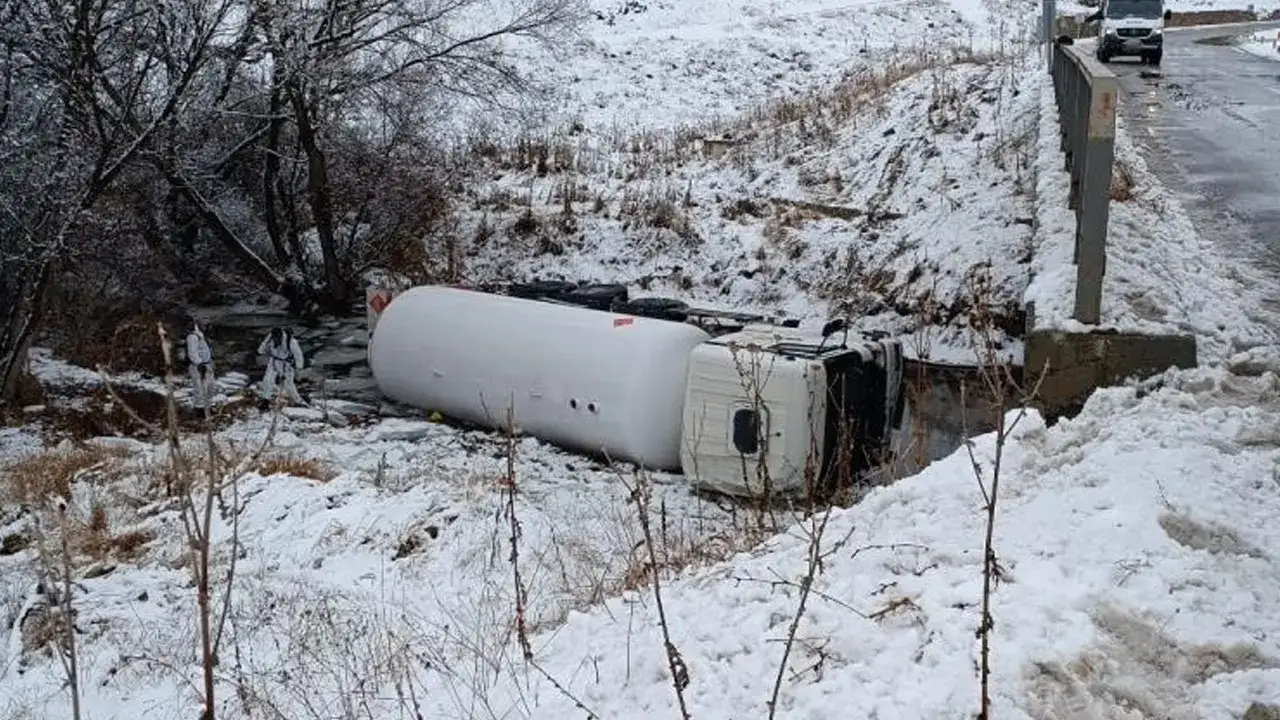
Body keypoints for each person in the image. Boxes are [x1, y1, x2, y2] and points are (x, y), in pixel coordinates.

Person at [258, 326, 306, 405]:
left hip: (286, 364)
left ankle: (297, 400)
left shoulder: (291, 342)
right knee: (268, 380)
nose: (275, 339)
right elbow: (260, 350)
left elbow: (298, 355)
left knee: (289, 384)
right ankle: (266, 399)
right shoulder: (270, 339)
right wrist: (267, 339)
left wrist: (299, 367)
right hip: (273, 362)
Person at [185, 318, 215, 410]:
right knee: (199, 388)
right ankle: (199, 408)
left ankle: (208, 406)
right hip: (198, 366)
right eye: (203, 325)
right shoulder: (192, 337)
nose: (205, 327)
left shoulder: (201, 336)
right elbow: (192, 353)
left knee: (210, 387)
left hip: (206, 364)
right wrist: (199, 363)